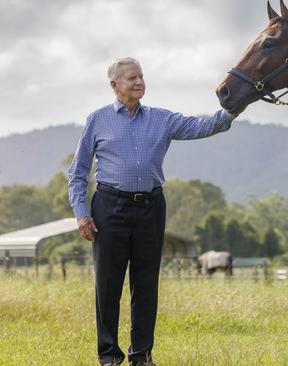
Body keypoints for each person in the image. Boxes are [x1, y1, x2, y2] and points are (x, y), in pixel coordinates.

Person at [68, 57, 238, 366]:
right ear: (114, 85)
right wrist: (81, 212)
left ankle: (141, 356)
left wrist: (233, 108)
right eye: (131, 77)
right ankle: (109, 356)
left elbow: (202, 126)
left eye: (141, 76)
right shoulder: (97, 120)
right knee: (107, 285)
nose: (139, 82)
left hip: (150, 207)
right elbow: (78, 173)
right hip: (109, 208)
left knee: (146, 284)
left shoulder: (162, 118)